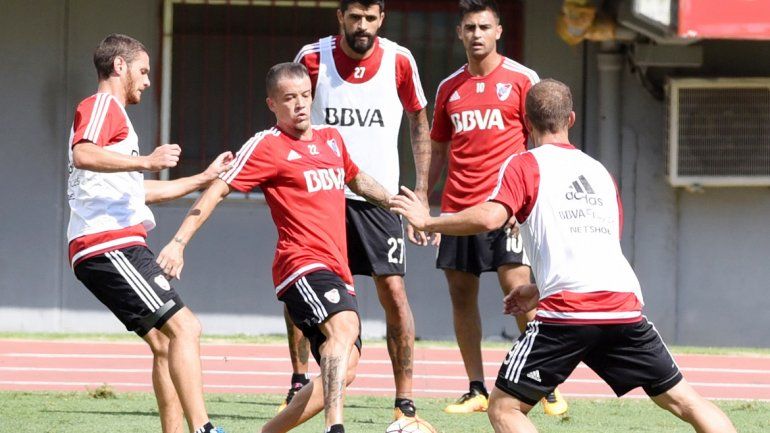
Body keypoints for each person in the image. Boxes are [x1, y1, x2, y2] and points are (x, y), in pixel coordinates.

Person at [392, 78, 738, 433]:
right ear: (570, 119)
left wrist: (429, 221)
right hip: (623, 307)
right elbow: (596, 248)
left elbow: (492, 217)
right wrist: (538, 290)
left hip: (567, 315)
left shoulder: (523, 164)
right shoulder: (600, 172)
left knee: (505, 408)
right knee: (686, 401)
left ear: (526, 123)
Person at [156, 62, 393, 433]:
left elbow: (357, 179)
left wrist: (398, 205)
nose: (300, 105)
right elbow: (218, 188)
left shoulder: (331, 139)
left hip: (337, 267)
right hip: (300, 265)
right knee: (344, 329)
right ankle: (337, 427)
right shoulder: (267, 145)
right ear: (272, 104)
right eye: (289, 98)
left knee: (347, 368)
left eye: (305, 96)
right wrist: (178, 241)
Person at [67, 34, 231, 433]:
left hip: (103, 245)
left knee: (164, 343)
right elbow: (82, 153)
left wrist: (203, 177)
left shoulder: (117, 127)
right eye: (143, 71)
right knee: (186, 328)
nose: (147, 81)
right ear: (119, 66)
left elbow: (143, 193)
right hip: (109, 243)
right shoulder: (103, 104)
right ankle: (205, 428)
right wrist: (147, 161)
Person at [288, 0, 434, 423]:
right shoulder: (312, 58)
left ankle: (404, 398)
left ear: (381, 20)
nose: (363, 26)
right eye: (355, 17)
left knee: (394, 292)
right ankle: (299, 380)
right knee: (302, 287)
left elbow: (419, 122)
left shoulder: (400, 61)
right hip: (321, 195)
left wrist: (420, 192)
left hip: (378, 199)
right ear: (341, 18)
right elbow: (290, 115)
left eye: (371, 18)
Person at [428, 0, 567, 415]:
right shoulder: (448, 88)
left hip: (507, 211)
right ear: (459, 33)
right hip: (457, 209)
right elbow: (438, 147)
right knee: (461, 296)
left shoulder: (524, 79)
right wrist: (423, 196)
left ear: (498, 31)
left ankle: (542, 383)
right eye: (469, 27)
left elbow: (543, 144)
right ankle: (476, 387)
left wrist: (531, 204)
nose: (476, 34)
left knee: (520, 293)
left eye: (484, 26)